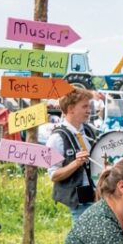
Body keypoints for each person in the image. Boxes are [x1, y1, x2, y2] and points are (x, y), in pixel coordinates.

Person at [47, 89, 99, 220]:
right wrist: (76, 164)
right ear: (71, 109)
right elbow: (54, 175)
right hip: (78, 199)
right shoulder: (57, 138)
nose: (89, 110)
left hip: (94, 195)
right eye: (84, 106)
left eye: (89, 106)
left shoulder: (87, 131)